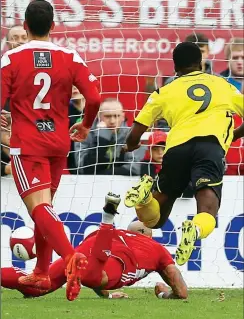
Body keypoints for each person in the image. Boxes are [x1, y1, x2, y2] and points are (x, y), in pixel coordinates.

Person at [1, 0, 101, 301]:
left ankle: (70, 258)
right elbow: (94, 98)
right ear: (53, 26)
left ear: (26, 26)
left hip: (27, 144)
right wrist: (84, 126)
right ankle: (43, 272)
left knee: (39, 208)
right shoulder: (70, 57)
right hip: (59, 143)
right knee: (45, 209)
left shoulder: (11, 58)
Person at [123, 41, 244, 266]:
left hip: (177, 149)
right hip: (210, 147)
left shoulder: (164, 91)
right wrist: (234, 135)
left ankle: (145, 197)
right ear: (201, 63)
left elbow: (135, 133)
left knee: (155, 220)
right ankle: (195, 229)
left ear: (175, 67)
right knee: (208, 210)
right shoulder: (222, 85)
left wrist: (130, 146)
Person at [1, 193, 187, 300]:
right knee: (99, 275)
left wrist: (107, 296)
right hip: (106, 263)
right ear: (148, 234)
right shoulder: (157, 248)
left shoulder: (120, 234)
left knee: (37, 286)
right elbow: (181, 290)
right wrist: (164, 292)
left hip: (87, 251)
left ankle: (105, 224)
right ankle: (107, 219)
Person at [74, 98, 144, 175]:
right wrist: (102, 138)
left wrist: (103, 175)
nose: (112, 121)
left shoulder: (131, 135)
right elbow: (83, 169)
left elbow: (134, 169)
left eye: (116, 116)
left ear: (123, 116)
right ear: (99, 116)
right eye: (107, 116)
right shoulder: (83, 133)